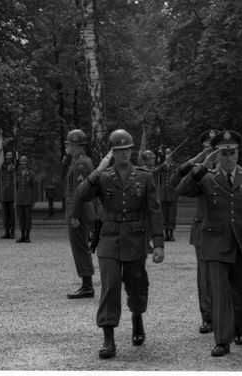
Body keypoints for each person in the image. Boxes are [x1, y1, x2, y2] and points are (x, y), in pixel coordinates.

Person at [176, 130, 242, 357]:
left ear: (238, 153)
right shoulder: (206, 177)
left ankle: (239, 327)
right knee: (219, 293)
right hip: (215, 243)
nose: (229, 157)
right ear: (216, 155)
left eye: (233, 153)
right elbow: (181, 189)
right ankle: (222, 339)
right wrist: (203, 164)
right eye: (224, 153)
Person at [74, 129, 164, 360]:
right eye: (119, 150)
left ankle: (137, 317)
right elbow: (81, 195)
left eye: (127, 149)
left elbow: (154, 210)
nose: (124, 153)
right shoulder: (104, 176)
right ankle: (108, 336)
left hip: (135, 239)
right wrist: (98, 169)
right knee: (110, 287)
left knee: (137, 284)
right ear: (112, 152)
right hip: (109, 238)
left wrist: (158, 243)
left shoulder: (144, 176)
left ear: (131, 150)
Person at [171, 130, 217, 334]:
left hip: (226, 228)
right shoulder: (198, 169)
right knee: (205, 276)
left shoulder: (230, 168)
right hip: (203, 228)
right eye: (207, 146)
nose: (211, 150)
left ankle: (229, 315)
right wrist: (195, 160)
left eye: (214, 146)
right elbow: (174, 183)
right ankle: (207, 316)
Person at [64, 129, 98, 299]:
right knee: (81, 247)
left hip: (80, 212)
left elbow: (79, 192)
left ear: (76, 145)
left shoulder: (80, 164)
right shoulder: (79, 161)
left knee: (81, 248)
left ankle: (87, 286)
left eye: (68, 144)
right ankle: (86, 284)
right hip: (81, 211)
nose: (66, 147)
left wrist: (75, 215)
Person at [153, 148, 179, 241]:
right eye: (166, 154)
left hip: (172, 193)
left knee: (172, 214)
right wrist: (164, 164)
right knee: (164, 214)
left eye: (169, 154)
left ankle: (171, 234)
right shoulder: (162, 166)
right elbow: (155, 172)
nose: (168, 155)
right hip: (163, 193)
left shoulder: (175, 166)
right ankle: (165, 233)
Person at [16, 156, 38, 243]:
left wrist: (33, 200)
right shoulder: (17, 173)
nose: (22, 166)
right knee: (21, 217)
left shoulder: (31, 173)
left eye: (24, 164)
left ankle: (27, 236)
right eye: (21, 164)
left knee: (28, 218)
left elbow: (34, 187)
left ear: (27, 164)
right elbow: (16, 187)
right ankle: (22, 235)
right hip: (20, 198)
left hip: (28, 198)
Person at [0, 151, 16, 239]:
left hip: (12, 193)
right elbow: (0, 181)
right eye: (6, 158)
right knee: (5, 215)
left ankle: (12, 231)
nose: (7, 160)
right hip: (4, 193)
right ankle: (6, 231)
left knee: (12, 214)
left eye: (9, 158)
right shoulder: (3, 167)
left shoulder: (15, 167)